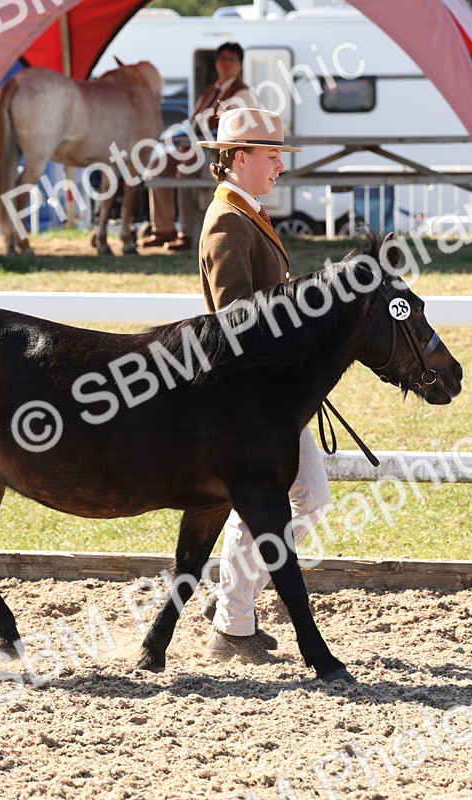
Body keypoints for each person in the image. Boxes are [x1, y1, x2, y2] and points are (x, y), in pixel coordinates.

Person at [195, 107, 333, 662]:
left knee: (306, 499)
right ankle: (233, 618)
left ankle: (234, 600)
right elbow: (236, 318)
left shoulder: (247, 213)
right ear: (242, 157)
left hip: (274, 392)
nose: (279, 165)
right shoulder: (228, 222)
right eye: (272, 155)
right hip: (255, 396)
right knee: (302, 499)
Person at [141, 42, 257, 253]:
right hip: (194, 145)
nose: (225, 64)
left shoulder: (243, 92)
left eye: (231, 59)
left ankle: (186, 235)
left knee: (184, 169)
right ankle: (163, 229)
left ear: (240, 64)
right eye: (222, 59)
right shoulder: (211, 90)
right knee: (158, 164)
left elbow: (235, 124)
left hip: (216, 152)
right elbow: (195, 121)